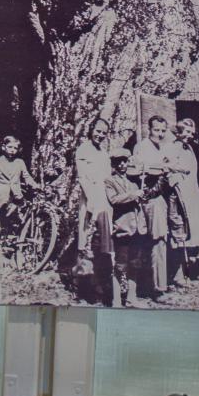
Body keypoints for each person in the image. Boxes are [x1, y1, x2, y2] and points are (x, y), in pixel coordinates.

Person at [164, 118, 199, 284]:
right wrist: (176, 183)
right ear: (179, 132)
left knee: (194, 230)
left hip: (191, 194)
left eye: (192, 133)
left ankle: (193, 271)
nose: (190, 135)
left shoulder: (189, 148)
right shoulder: (171, 147)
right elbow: (167, 169)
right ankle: (178, 275)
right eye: (187, 132)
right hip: (178, 195)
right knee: (179, 230)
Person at [133, 115, 171, 299]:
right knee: (152, 241)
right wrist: (160, 168)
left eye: (163, 131)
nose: (160, 134)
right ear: (149, 130)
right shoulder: (142, 147)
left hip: (159, 199)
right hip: (148, 199)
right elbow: (140, 170)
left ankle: (158, 285)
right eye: (156, 130)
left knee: (160, 240)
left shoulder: (162, 148)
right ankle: (152, 287)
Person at [104, 149, 145, 306]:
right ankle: (116, 300)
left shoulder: (133, 182)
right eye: (118, 162)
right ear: (114, 164)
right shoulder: (109, 181)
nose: (122, 165)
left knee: (135, 264)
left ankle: (131, 298)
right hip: (122, 230)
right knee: (120, 266)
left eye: (124, 161)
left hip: (136, 229)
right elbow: (114, 200)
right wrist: (134, 194)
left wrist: (142, 194)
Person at [75, 117, 113, 259]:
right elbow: (82, 177)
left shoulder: (103, 153)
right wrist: (91, 199)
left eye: (104, 133)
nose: (100, 135)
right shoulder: (83, 149)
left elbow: (107, 176)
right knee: (86, 231)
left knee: (102, 233)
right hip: (89, 194)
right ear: (91, 130)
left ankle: (101, 265)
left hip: (103, 195)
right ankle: (82, 267)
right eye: (98, 131)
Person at [0, 136, 38, 229]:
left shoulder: (20, 162)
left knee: (12, 218)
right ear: (4, 147)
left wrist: (35, 185)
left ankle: (9, 232)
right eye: (10, 147)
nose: (12, 150)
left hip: (15, 197)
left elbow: (26, 176)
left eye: (15, 148)